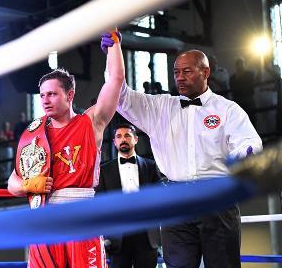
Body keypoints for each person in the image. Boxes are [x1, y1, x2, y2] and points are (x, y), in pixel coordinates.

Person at [101, 37, 262, 268]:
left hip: (217, 196)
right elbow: (121, 95)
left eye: (187, 71)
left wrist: (240, 157)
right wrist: (113, 52)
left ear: (206, 72)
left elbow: (250, 141)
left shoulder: (227, 109)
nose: (179, 77)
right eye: (176, 72)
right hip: (175, 199)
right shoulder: (160, 108)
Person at [7, 29, 125, 268]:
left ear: (70, 95)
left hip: (82, 213)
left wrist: (114, 44)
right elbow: (12, 183)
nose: (45, 100)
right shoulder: (34, 135)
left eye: (52, 94)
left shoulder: (91, 123)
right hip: (45, 215)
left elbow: (115, 81)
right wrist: (28, 185)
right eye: (42, 95)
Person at [95, 123, 160, 268]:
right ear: (114, 142)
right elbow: (100, 204)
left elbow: (159, 199)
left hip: (147, 236)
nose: (123, 139)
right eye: (119, 136)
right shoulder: (104, 170)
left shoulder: (151, 166)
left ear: (136, 139)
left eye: (127, 136)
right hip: (117, 237)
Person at [229, 57, 257, 125]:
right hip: (239, 99)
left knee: (251, 118)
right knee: (239, 120)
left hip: (247, 98)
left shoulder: (250, 74)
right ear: (236, 66)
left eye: (241, 64)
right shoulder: (233, 77)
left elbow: (253, 83)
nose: (240, 66)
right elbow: (232, 88)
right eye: (239, 64)